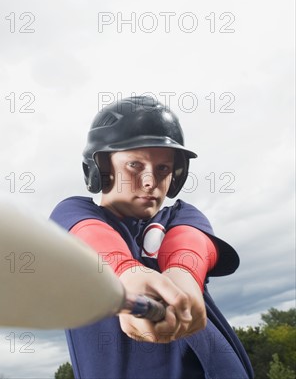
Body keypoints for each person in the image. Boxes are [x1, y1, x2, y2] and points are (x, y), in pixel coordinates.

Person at [50, 96, 254, 379]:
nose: (150, 181)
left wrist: (182, 276)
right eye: (135, 165)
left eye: (163, 168)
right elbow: (86, 237)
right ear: (101, 170)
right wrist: (126, 273)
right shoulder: (74, 213)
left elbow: (190, 243)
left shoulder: (181, 216)